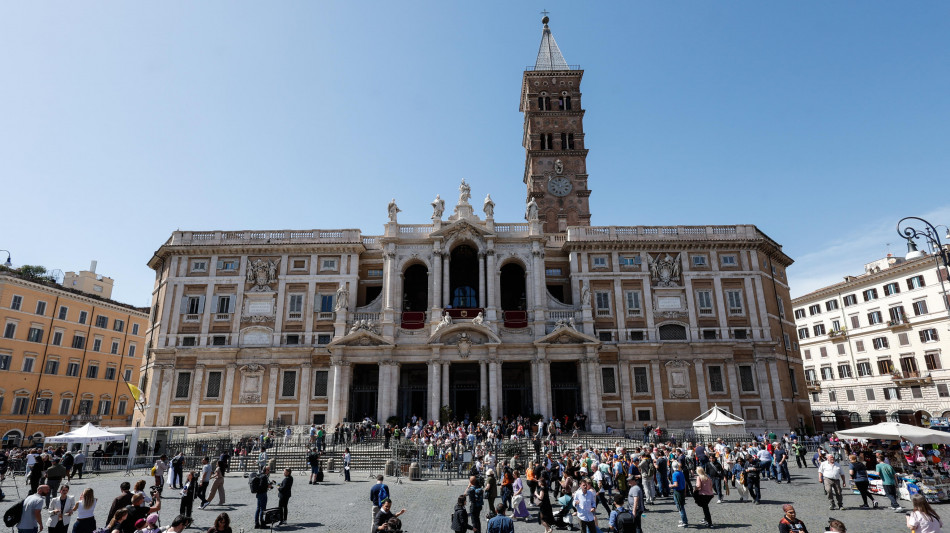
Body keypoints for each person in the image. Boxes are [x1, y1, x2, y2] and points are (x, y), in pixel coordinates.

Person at [671, 462, 689, 528]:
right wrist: (685, 491)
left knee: (680, 507)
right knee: (681, 506)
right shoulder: (681, 472)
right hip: (682, 490)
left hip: (677, 491)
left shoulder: (674, 474)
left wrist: (670, 485)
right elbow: (684, 483)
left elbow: (675, 484)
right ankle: (684, 519)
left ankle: (684, 521)